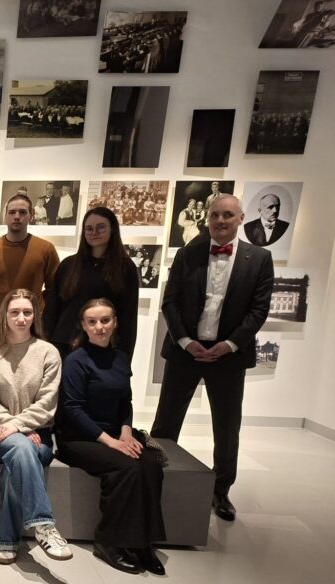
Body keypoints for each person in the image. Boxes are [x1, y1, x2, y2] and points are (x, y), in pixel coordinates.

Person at [151, 194, 274, 522]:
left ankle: (221, 490)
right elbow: (170, 302)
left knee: (227, 425)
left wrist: (230, 344)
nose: (220, 220)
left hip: (229, 356)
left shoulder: (260, 258)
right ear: (207, 218)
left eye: (228, 215)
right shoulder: (187, 254)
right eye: (215, 214)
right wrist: (186, 341)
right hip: (185, 352)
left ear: (241, 218)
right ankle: (153, 479)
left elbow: (259, 309)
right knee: (166, 421)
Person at [55, 298, 167, 575]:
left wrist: (126, 432)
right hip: (79, 438)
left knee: (150, 463)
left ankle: (142, 543)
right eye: (92, 322)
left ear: (115, 322)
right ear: (83, 326)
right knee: (127, 467)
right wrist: (111, 441)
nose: (99, 327)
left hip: (116, 433)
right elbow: (72, 409)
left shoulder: (120, 358)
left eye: (105, 320)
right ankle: (109, 541)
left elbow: (125, 401)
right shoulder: (75, 361)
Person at [0, 289, 71, 564]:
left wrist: (20, 426)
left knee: (18, 456)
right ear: (4, 315)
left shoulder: (48, 353)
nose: (21, 318)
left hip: (38, 435)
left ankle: (6, 541)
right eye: (15, 312)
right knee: (20, 447)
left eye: (27, 312)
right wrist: (16, 426)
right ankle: (44, 524)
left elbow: (47, 403)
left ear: (35, 316)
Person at [43, 208, 139, 360]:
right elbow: (52, 309)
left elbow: (128, 317)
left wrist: (124, 359)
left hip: (101, 347)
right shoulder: (68, 265)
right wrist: (44, 344)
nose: (94, 232)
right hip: (63, 345)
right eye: (89, 228)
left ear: (112, 229)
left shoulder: (125, 268)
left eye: (100, 227)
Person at [0, 194, 61, 311]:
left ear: (31, 216)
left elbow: (55, 288)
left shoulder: (46, 249)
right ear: (5, 216)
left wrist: (40, 310)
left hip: (33, 319)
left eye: (22, 212)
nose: (16, 216)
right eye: (12, 212)